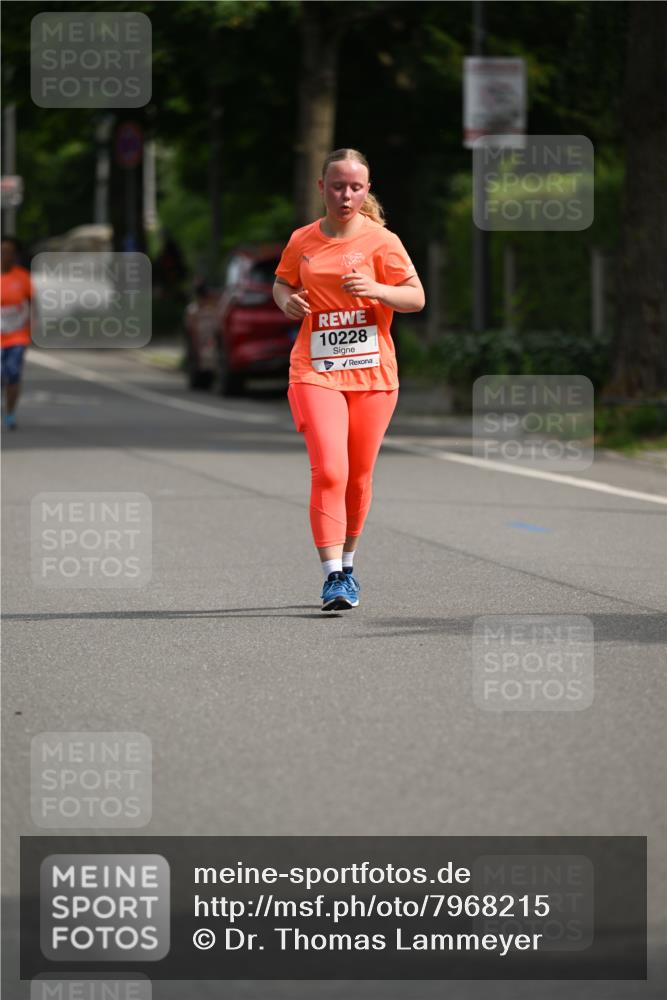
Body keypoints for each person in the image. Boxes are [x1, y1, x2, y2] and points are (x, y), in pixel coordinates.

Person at [273, 148, 425, 611]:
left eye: (355, 187)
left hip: (374, 373)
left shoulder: (383, 241)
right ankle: (332, 575)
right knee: (331, 470)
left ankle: (350, 565)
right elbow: (282, 282)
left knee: (358, 477)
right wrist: (286, 302)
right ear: (321, 187)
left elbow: (416, 298)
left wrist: (378, 290)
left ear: (367, 189)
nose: (346, 195)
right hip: (315, 370)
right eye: (337, 186)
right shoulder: (303, 239)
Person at [1, 237, 34, 431]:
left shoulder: (22, 277)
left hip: (17, 336)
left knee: (12, 372)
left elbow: (32, 304)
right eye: (2, 251)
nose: (5, 255)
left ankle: (10, 413)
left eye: (9, 252)